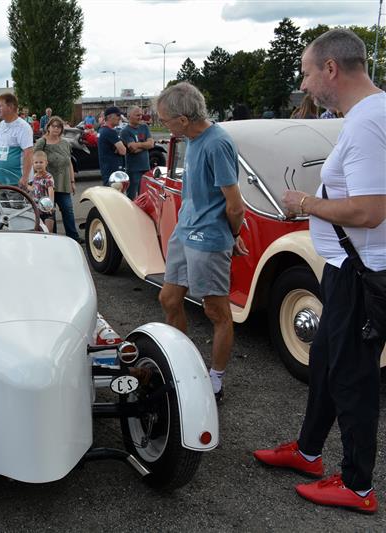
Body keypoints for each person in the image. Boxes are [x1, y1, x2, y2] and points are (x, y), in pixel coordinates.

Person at [254, 28, 386, 514]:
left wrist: (306, 202)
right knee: (327, 362)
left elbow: (371, 210)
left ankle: (357, 485)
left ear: (331, 69)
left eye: (308, 73)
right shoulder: (370, 115)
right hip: (349, 267)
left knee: (352, 376)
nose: (305, 85)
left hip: (360, 271)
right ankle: (309, 452)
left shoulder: (368, 122)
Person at [154, 82, 247, 403]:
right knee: (168, 298)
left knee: (216, 311)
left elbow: (235, 205)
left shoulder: (217, 143)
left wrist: (232, 237)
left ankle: (216, 380)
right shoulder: (191, 139)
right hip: (185, 231)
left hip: (208, 237)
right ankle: (182, 365)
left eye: (165, 120)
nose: (163, 125)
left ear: (183, 119)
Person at [34, 115, 80, 241]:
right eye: (53, 126)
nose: (56, 129)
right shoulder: (42, 142)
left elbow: (69, 162)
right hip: (47, 185)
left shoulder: (65, 143)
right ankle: (53, 238)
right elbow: (35, 160)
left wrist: (72, 181)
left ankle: (73, 237)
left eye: (59, 127)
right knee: (50, 212)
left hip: (64, 183)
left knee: (68, 210)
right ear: (48, 127)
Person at [0, 93, 34, 187]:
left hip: (17, 182)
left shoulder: (23, 127)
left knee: (17, 202)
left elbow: (28, 153)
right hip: (0, 181)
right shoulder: (0, 125)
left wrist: (25, 177)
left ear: (10, 107)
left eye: (1, 106)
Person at [119, 106, 154, 199]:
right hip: (133, 169)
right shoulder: (125, 131)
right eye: (137, 115)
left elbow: (151, 144)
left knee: (145, 195)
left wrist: (138, 145)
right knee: (132, 197)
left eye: (141, 115)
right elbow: (133, 149)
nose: (140, 117)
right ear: (129, 116)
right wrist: (145, 145)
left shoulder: (144, 127)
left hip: (146, 167)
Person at [97, 106, 128, 186]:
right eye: (117, 115)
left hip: (106, 170)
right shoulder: (110, 132)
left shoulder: (102, 130)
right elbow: (123, 151)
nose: (120, 118)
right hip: (113, 174)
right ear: (109, 116)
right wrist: (121, 146)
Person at [27, 151, 55, 232]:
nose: (38, 164)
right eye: (36, 162)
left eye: (41, 162)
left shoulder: (48, 177)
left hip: (46, 208)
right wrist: (25, 185)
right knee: (38, 231)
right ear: (33, 164)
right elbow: (33, 188)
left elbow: (51, 191)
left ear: (46, 163)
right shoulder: (34, 177)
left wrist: (50, 206)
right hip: (37, 209)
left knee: (49, 231)